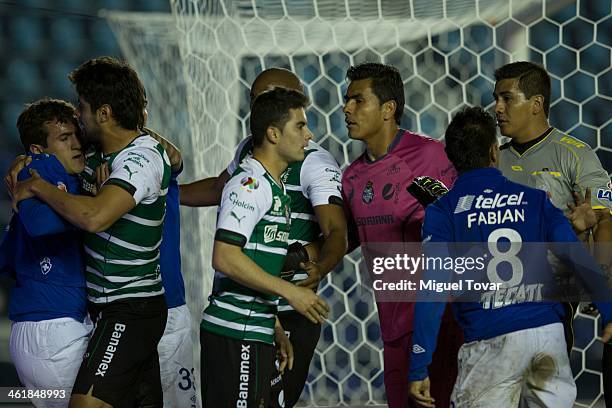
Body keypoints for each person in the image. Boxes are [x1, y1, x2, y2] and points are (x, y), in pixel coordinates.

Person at [407, 106, 612, 407]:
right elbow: (577, 258)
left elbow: (433, 289)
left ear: (450, 157)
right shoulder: (535, 199)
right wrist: (610, 313)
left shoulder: (443, 211)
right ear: (494, 151)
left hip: (489, 344)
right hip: (546, 338)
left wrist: (418, 365)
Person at [181, 68, 347, 408]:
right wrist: (158, 191)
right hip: (244, 321)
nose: (307, 133)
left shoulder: (304, 170)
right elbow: (226, 254)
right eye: (258, 99)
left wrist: (317, 270)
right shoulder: (251, 179)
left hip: (274, 316)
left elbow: (337, 231)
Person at [12, 57, 170, 408]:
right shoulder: (98, 153)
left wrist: (38, 188)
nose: (77, 117)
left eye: (82, 107)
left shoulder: (139, 160)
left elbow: (95, 217)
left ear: (103, 113)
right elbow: (175, 157)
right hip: (107, 309)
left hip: (131, 308)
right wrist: (30, 163)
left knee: (84, 404)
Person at [340, 62, 461, 408]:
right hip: (392, 328)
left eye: (357, 101)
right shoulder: (352, 177)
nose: (347, 109)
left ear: (388, 109)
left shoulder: (430, 156)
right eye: (346, 101)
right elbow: (351, 237)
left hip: (440, 323)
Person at [493, 61, 612, 399]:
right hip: (491, 300)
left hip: (548, 302)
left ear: (536, 104)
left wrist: (602, 278)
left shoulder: (576, 156)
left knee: (539, 395)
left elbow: (605, 218)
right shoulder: (492, 161)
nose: (497, 108)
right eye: (495, 99)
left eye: (506, 98)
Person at [0, 99, 92, 407]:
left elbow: (6, 259)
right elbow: (40, 225)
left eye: (77, 135)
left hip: (36, 333)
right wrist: (89, 210)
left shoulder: (35, 176)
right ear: (38, 149)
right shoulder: (42, 171)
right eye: (65, 139)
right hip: (54, 330)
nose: (77, 144)